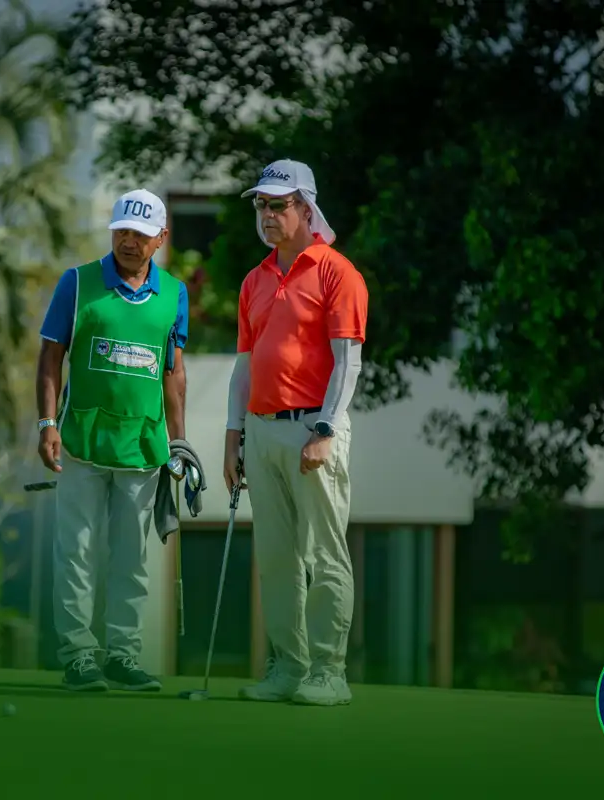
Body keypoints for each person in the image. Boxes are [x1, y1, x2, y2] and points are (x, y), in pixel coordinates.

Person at [223, 159, 368, 706]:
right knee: (277, 556)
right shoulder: (254, 280)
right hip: (262, 431)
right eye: (261, 205)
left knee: (326, 555)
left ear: (306, 209)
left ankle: (330, 673)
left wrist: (325, 429)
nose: (267, 214)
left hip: (314, 429)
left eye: (278, 205)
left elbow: (347, 362)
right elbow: (244, 366)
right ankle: (288, 667)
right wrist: (233, 436)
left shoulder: (337, 272)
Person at [36, 188, 190, 692]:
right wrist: (46, 423)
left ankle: (123, 655)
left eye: (140, 235)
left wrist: (180, 441)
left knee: (132, 559)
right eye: (122, 231)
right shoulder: (77, 282)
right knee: (76, 553)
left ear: (160, 238)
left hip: (143, 447)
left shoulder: (174, 294)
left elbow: (173, 372)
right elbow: (50, 356)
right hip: (81, 439)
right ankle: (79, 656)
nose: (129, 241)